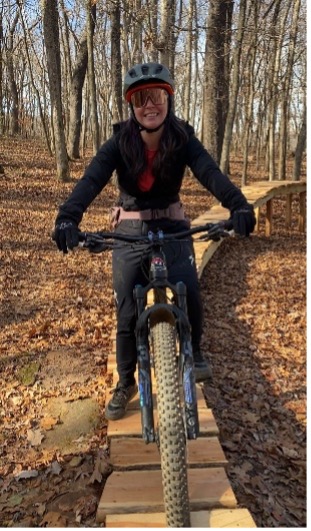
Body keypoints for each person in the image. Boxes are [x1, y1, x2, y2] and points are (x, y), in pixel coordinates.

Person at [53, 62, 256, 421]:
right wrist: (69, 216)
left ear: (168, 100)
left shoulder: (182, 137)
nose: (150, 105)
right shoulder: (119, 142)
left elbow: (209, 172)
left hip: (172, 223)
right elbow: (92, 179)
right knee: (127, 311)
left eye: (157, 97)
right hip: (129, 230)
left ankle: (194, 349)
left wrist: (238, 204)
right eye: (141, 99)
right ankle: (126, 381)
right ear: (132, 105)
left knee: (190, 291)